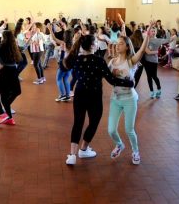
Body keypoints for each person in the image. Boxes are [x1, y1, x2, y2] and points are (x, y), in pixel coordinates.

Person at [63, 34, 134, 165]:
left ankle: (72, 155)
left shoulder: (77, 60)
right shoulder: (99, 60)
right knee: (94, 122)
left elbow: (74, 77)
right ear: (92, 46)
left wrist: (71, 88)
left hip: (79, 94)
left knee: (78, 123)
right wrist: (128, 83)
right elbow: (111, 80)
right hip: (94, 96)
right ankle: (83, 149)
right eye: (95, 42)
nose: (97, 44)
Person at [107, 24, 152, 165]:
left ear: (127, 47)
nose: (117, 46)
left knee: (129, 129)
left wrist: (147, 36)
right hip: (115, 99)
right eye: (117, 43)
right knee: (111, 130)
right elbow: (104, 75)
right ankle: (119, 145)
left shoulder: (130, 61)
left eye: (121, 44)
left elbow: (142, 50)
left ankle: (136, 151)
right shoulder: (112, 62)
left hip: (129, 99)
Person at [47, 24, 73, 102]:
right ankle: (67, 95)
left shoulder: (63, 43)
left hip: (63, 63)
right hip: (70, 64)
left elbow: (54, 38)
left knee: (58, 79)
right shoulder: (73, 44)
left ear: (65, 36)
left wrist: (50, 30)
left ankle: (62, 95)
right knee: (65, 78)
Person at [144, 27, 169, 99]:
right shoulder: (146, 39)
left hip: (154, 61)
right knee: (149, 77)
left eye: (154, 31)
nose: (153, 32)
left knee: (154, 76)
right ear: (149, 32)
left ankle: (159, 89)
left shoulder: (158, 40)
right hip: (146, 61)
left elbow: (168, 40)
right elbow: (147, 51)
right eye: (152, 31)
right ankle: (151, 91)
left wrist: (167, 32)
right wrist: (156, 52)